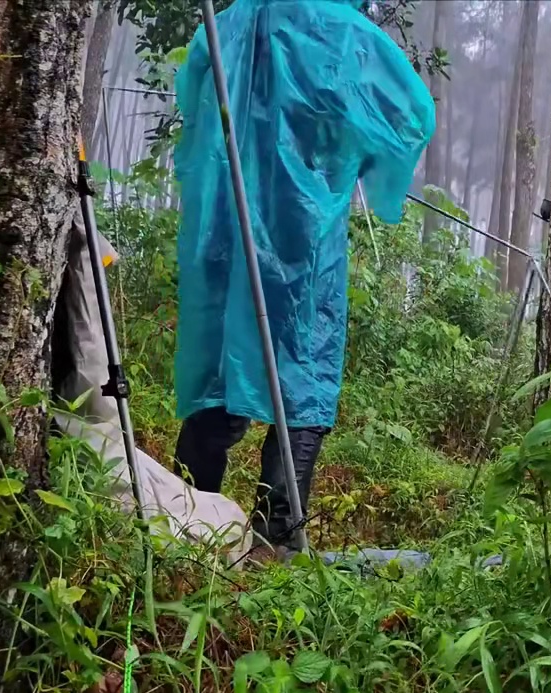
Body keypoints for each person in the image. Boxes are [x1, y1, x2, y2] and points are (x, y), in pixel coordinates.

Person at [170, 0, 435, 554]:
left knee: (223, 363)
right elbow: (412, 114)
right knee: (304, 370)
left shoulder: (226, 25)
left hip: (224, 229)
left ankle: (184, 523)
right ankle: (278, 533)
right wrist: (350, 158)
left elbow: (193, 111)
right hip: (299, 230)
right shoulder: (334, 26)